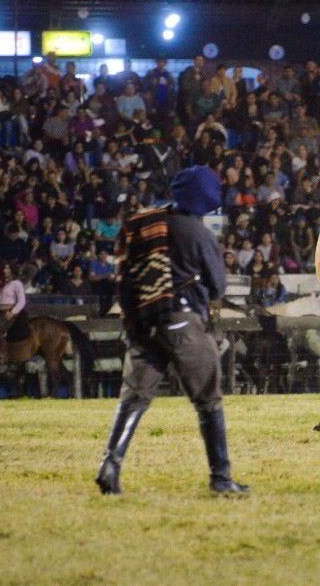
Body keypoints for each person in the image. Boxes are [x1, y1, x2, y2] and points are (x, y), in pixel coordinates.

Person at [95, 166, 248, 496]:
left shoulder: (146, 223)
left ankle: (110, 463)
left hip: (143, 324)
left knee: (134, 397)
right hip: (181, 321)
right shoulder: (197, 233)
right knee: (208, 397)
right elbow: (218, 285)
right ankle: (221, 477)